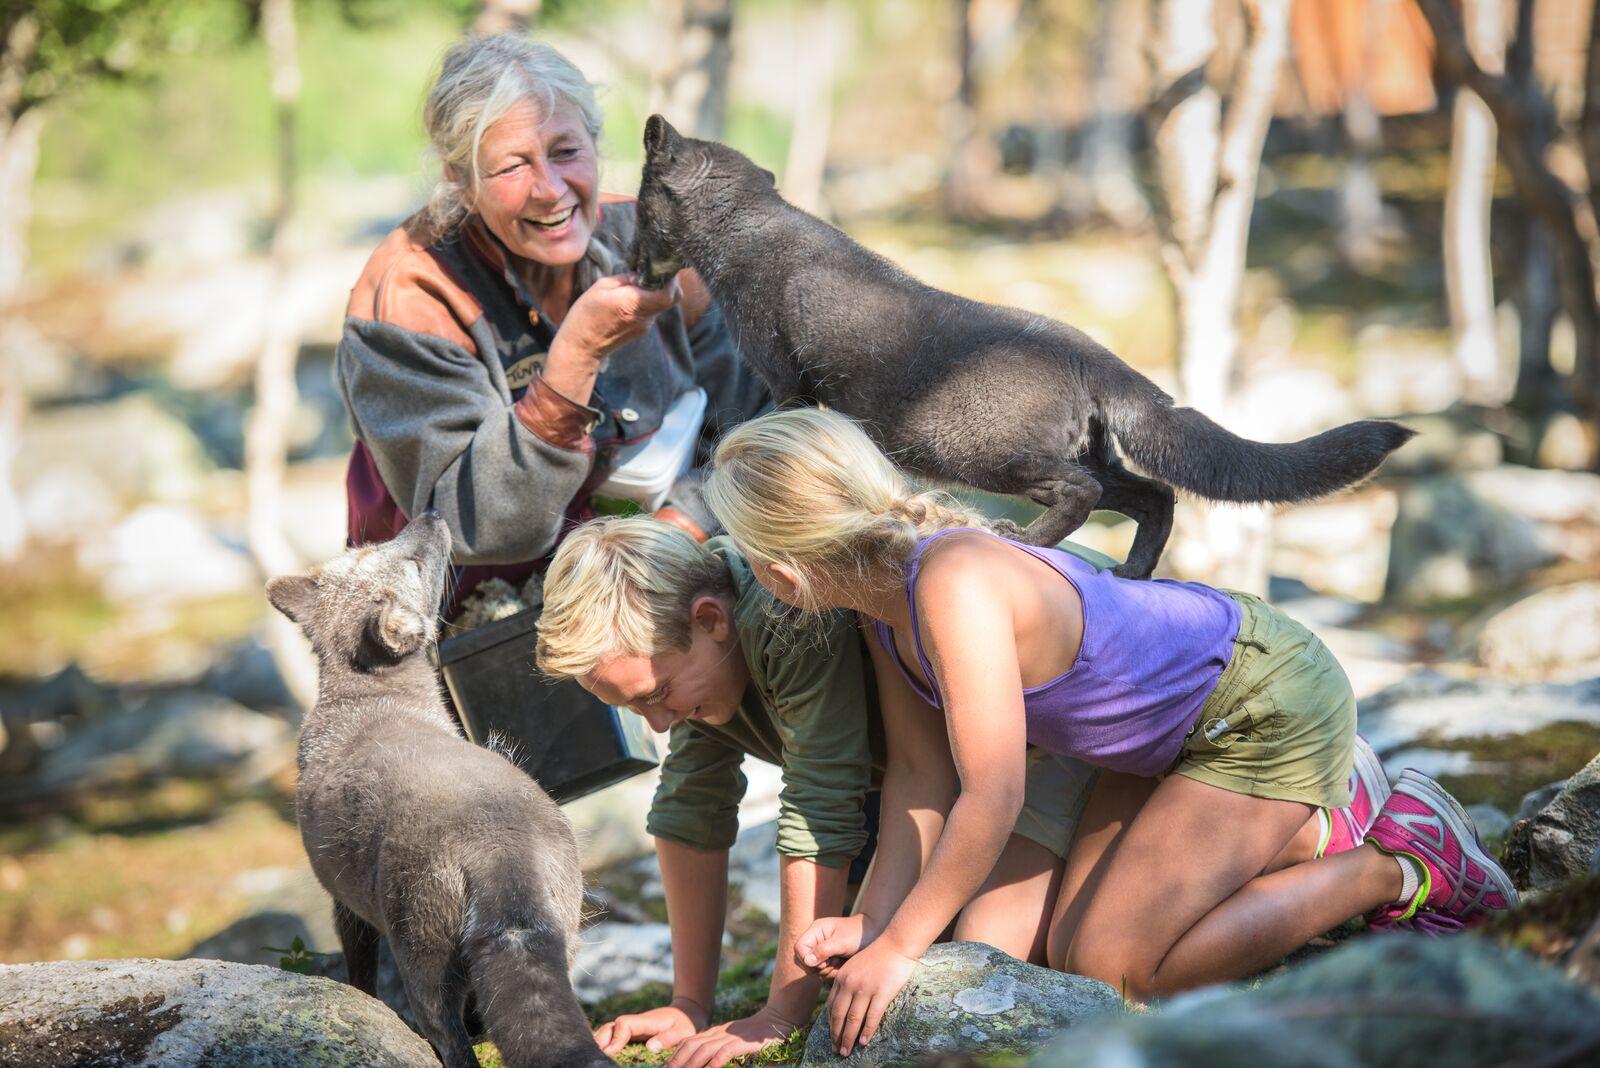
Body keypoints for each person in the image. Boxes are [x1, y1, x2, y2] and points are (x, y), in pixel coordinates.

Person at [700, 407, 1518, 1058]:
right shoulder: (883, 612)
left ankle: (1398, 861)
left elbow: (994, 792)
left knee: (1118, 969)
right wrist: (877, 928)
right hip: (1153, 744)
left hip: (1258, 701)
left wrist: (903, 946)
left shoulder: (953, 580)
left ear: (785, 576)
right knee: (1045, 956)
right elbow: (922, 782)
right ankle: (1285, 833)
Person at [534, 516, 1100, 1068]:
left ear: (710, 620)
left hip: (1047, 737)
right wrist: (690, 1004)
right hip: (940, 784)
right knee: (879, 962)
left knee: (988, 946)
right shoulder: (699, 656)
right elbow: (691, 806)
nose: (657, 723)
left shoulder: (784, 612)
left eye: (656, 694)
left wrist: (781, 1014)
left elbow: (820, 798)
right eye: (634, 707)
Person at [335, 34, 767, 609]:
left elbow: (752, 429)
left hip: (649, 568)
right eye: (513, 165)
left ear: (594, 143)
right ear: (460, 180)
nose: (551, 190)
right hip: (464, 611)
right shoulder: (412, 295)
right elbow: (472, 528)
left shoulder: (654, 241)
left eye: (566, 152)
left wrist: (677, 528)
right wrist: (578, 356)